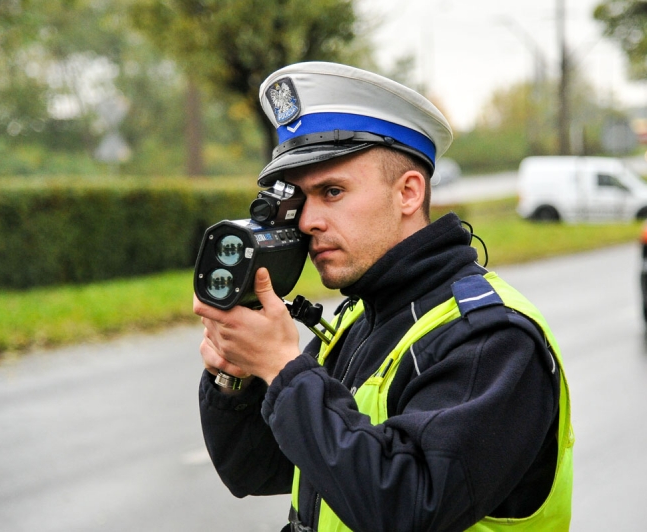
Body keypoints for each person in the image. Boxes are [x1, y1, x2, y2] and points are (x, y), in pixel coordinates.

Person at [194, 62, 574, 532]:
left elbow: (406, 509)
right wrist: (234, 378)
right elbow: (258, 468)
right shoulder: (360, 318)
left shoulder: (491, 339)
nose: (308, 221)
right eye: (303, 199)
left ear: (409, 193)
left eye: (333, 191)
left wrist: (281, 368)